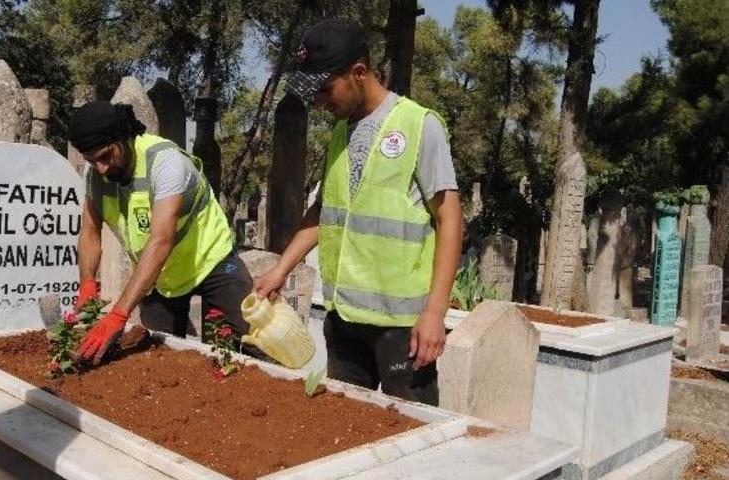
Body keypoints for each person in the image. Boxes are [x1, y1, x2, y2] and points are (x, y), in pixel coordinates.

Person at [254, 18, 463, 405]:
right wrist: (280, 270)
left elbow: (449, 219)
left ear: (359, 72)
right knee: (345, 422)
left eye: (325, 89)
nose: (319, 102)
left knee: (409, 433)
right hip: (344, 319)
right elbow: (324, 211)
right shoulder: (340, 132)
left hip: (401, 326)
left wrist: (434, 313)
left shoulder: (419, 125)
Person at [68, 101, 253, 364]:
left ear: (124, 137)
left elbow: (160, 241)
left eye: (106, 156)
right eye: (91, 160)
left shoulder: (166, 163)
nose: (101, 168)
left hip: (211, 262)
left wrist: (118, 315)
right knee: (158, 357)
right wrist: (87, 282)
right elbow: (89, 232)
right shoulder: (95, 176)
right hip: (161, 277)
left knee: (253, 344)